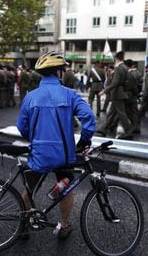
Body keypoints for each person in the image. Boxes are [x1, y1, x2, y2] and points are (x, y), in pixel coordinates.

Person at [17, 51, 95, 239]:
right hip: (63, 155)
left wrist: (35, 139)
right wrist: (84, 140)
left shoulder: (30, 97)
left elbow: (22, 126)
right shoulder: (70, 95)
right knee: (66, 189)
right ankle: (64, 226)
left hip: (39, 153)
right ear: (59, 72)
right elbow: (89, 118)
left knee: (29, 189)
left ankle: (23, 225)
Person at [97, 51, 134, 140]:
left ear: (116, 59)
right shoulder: (125, 67)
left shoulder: (118, 68)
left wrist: (104, 91)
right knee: (111, 113)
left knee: (121, 114)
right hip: (120, 92)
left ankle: (128, 132)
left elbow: (115, 82)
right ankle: (103, 129)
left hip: (117, 93)